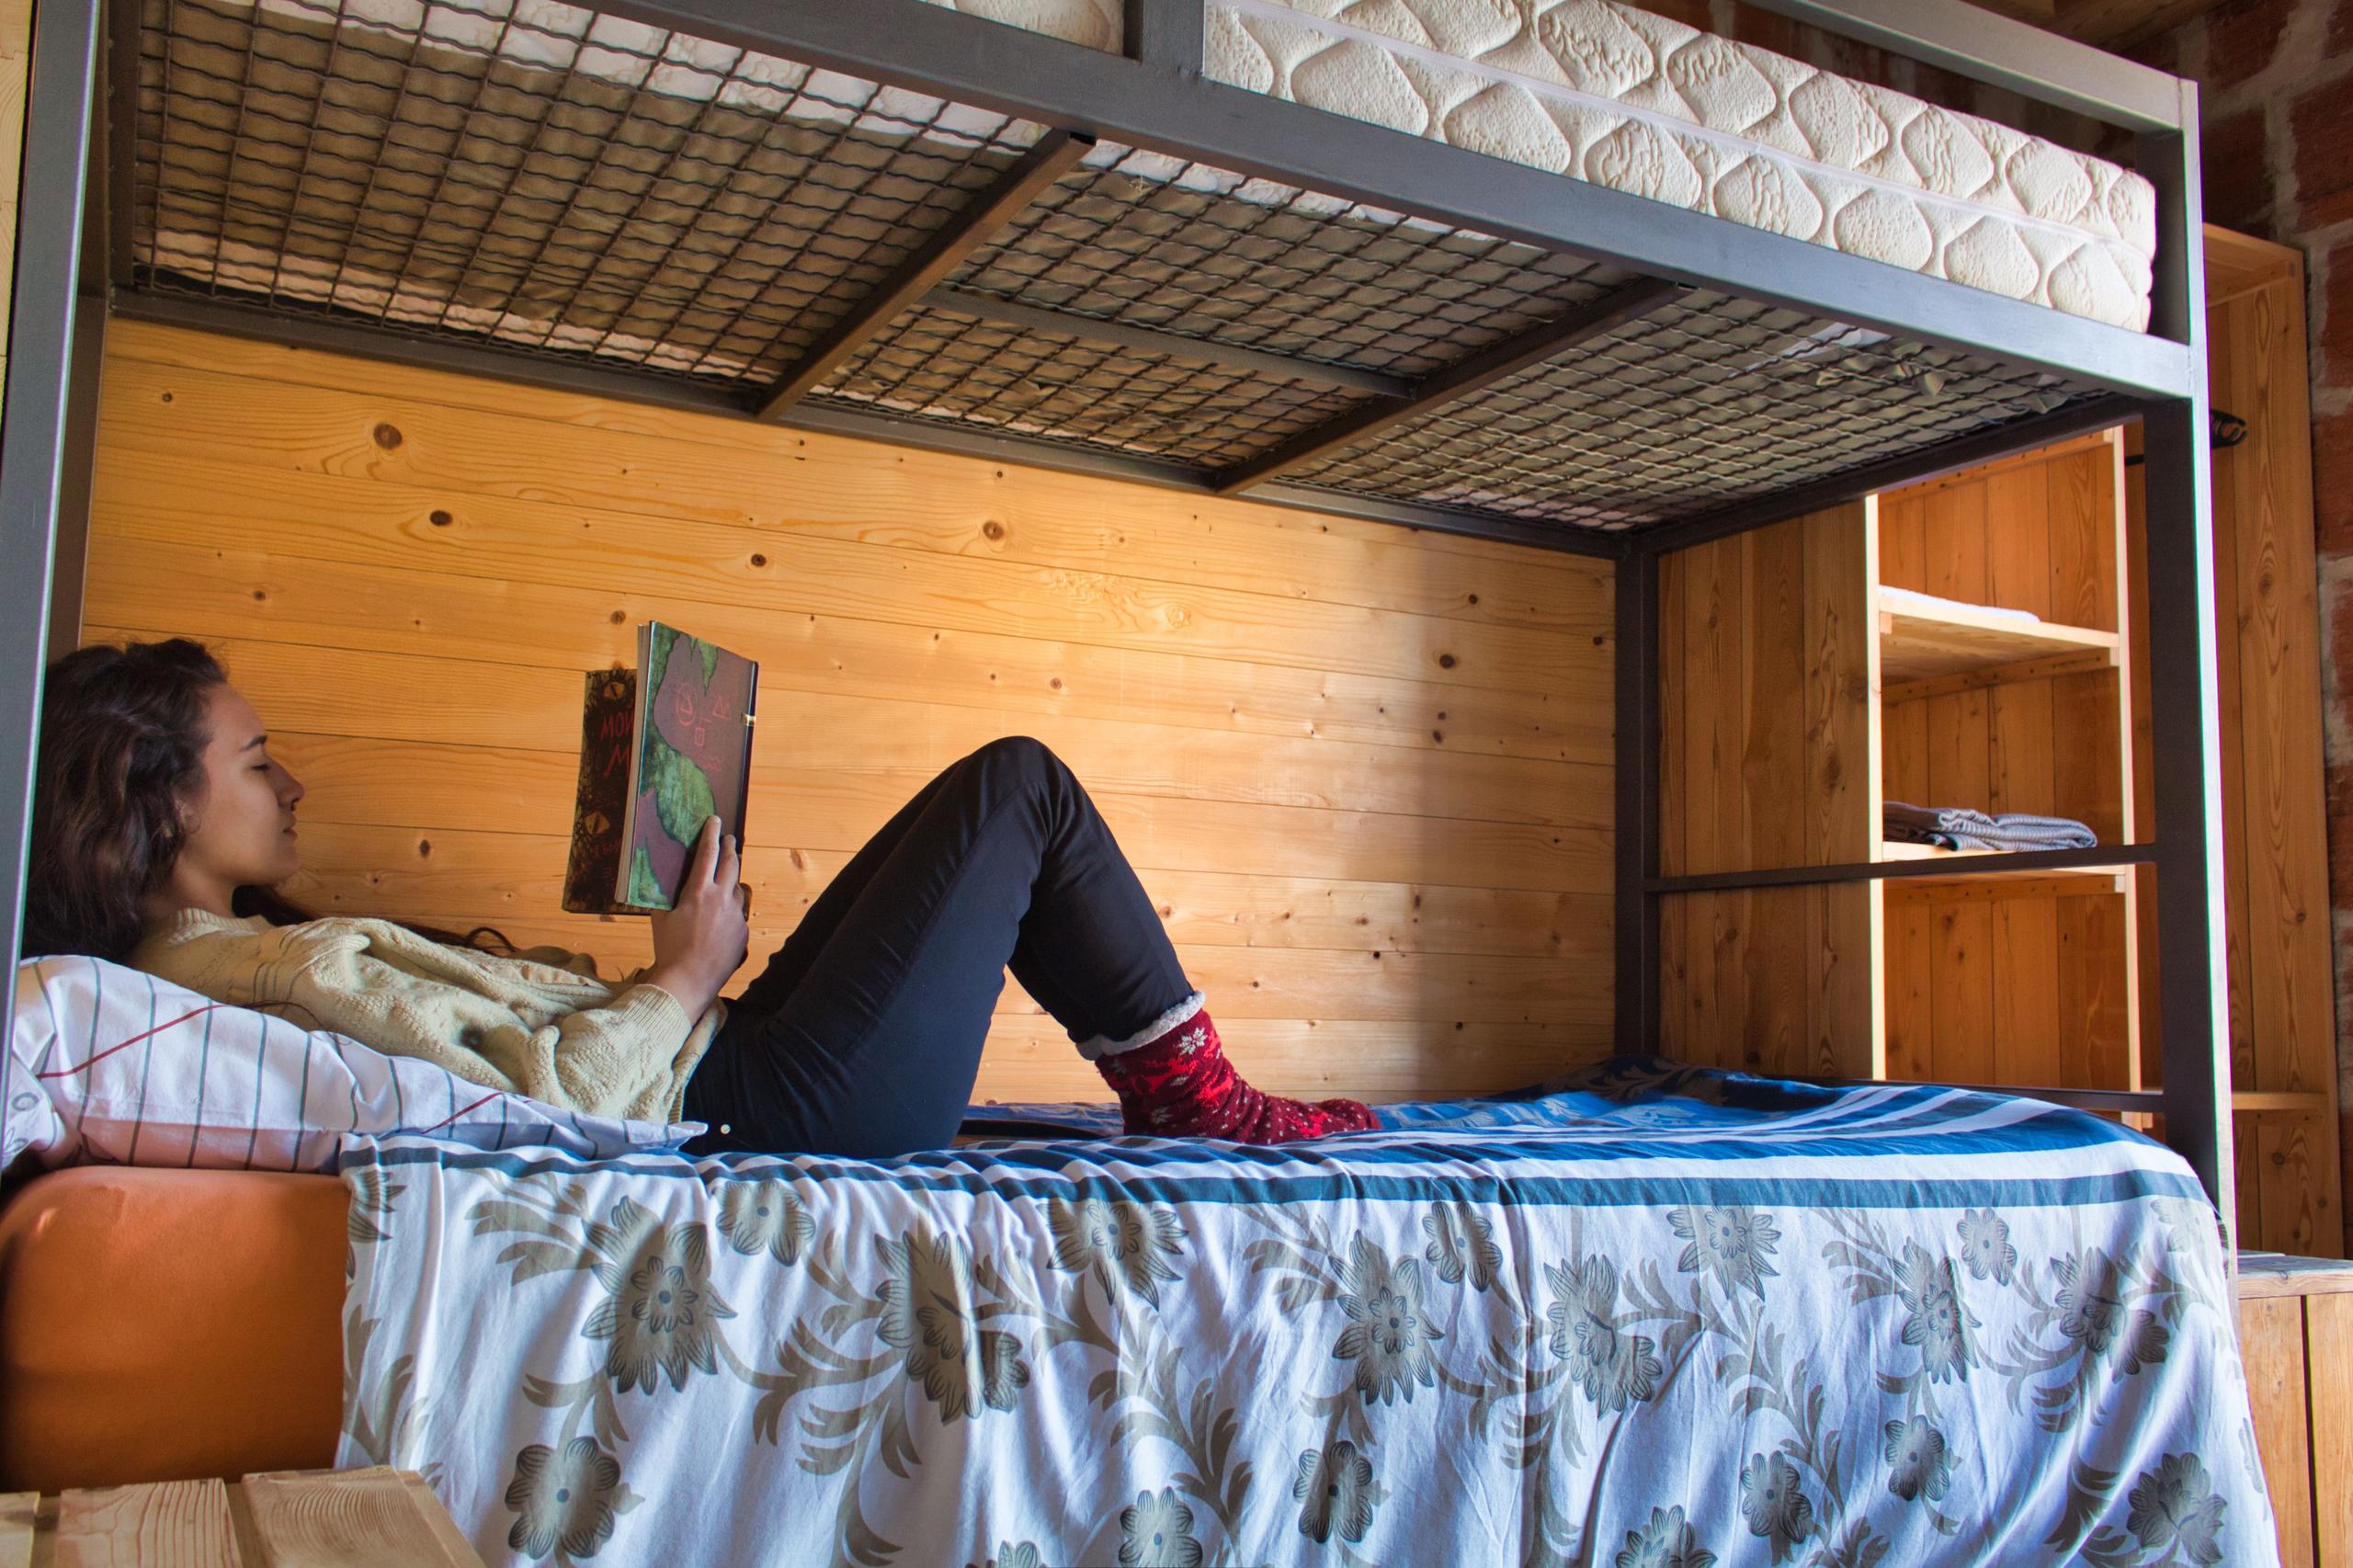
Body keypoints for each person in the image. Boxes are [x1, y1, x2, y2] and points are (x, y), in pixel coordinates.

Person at [24, 638, 1379, 1157]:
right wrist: (679, 977)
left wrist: (670, 959)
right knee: (1018, 788)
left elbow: (495, 1053)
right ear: (155, 799)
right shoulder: (256, 977)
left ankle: (1179, 1083)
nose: (289, 784)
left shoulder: (241, 956)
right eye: (254, 762)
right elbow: (546, 1112)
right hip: (759, 1104)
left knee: (981, 808)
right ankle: (1194, 1093)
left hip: (727, 1059)